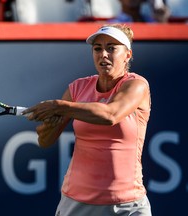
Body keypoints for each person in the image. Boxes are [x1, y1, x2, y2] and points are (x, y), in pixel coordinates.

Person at [22, 24, 152, 216]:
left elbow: (110, 115)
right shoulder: (78, 88)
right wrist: (48, 124)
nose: (103, 54)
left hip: (128, 206)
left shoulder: (136, 85)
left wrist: (59, 106)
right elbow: (45, 141)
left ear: (127, 55)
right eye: (97, 49)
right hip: (77, 203)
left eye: (111, 48)